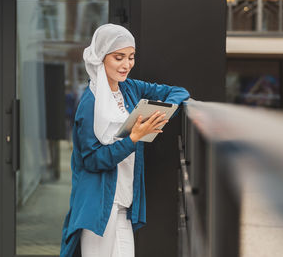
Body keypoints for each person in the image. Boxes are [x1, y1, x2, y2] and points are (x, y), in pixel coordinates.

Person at [60, 23, 190, 257]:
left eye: (131, 57)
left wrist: (159, 115)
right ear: (101, 58)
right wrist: (133, 138)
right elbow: (91, 160)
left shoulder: (129, 88)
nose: (127, 65)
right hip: (100, 203)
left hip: (124, 200)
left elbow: (178, 92)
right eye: (119, 57)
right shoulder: (90, 104)